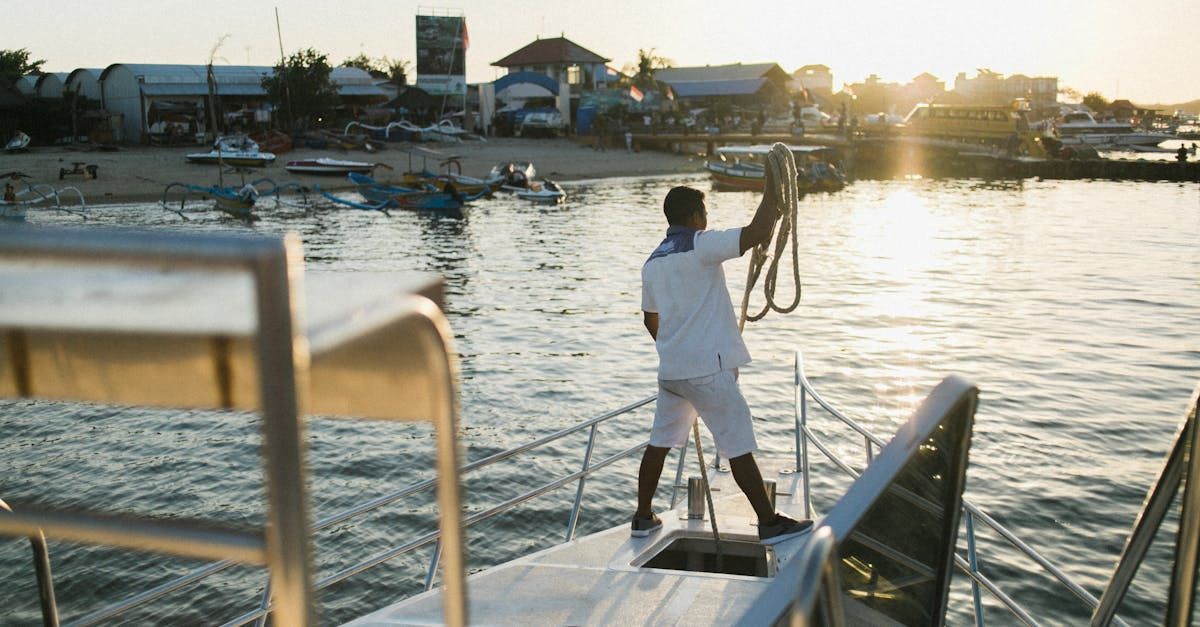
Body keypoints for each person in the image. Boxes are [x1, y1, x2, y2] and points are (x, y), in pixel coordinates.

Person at [634, 173, 813, 545]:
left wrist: (673, 347)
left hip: (672, 371)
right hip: (706, 371)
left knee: (659, 442)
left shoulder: (652, 263)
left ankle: (642, 516)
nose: (707, 219)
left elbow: (651, 319)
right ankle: (768, 522)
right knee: (737, 443)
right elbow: (757, 231)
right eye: (705, 212)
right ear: (696, 215)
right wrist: (772, 184)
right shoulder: (702, 245)